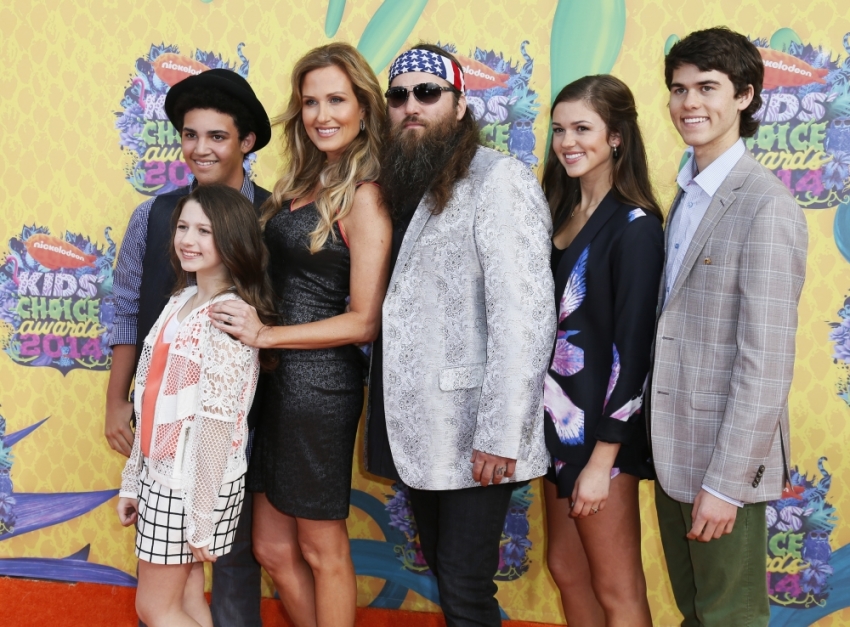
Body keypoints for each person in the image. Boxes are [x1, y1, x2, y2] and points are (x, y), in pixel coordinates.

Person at [363, 44, 555, 627]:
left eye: (428, 93)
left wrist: (502, 433)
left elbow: (526, 318)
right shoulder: (400, 184)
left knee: (467, 588)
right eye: (398, 96)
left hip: (477, 432)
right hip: (421, 426)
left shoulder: (499, 180)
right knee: (451, 580)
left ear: (461, 104)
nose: (411, 107)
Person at [208, 43, 390, 627]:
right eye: (310, 101)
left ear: (364, 107)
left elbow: (364, 320)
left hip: (318, 389)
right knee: (273, 549)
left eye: (337, 99)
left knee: (320, 547)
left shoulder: (364, 195)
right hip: (270, 384)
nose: (322, 114)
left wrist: (265, 336)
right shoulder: (301, 183)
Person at [650, 27, 808, 626]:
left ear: (744, 96)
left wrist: (726, 484)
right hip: (672, 451)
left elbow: (765, 363)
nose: (689, 103)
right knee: (698, 615)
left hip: (724, 466)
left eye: (707, 88)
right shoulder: (685, 196)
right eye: (679, 89)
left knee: (730, 620)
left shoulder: (766, 205)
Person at [106, 69, 272, 627]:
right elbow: (130, 312)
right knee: (186, 598)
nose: (200, 149)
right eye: (189, 134)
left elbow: (220, 419)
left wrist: (200, 512)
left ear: (246, 141)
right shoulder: (180, 293)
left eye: (217, 136)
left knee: (162, 601)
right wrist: (131, 461)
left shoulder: (275, 219)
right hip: (167, 465)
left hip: (209, 466)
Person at [540, 75, 662, 627]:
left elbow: (633, 353)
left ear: (616, 136)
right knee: (566, 568)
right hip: (555, 428)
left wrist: (604, 458)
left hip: (601, 440)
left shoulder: (635, 226)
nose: (568, 141)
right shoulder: (556, 213)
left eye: (583, 128)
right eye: (560, 128)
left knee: (618, 587)